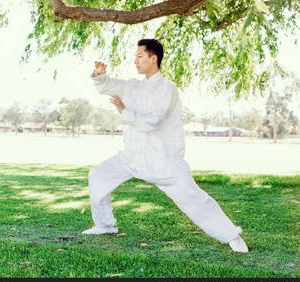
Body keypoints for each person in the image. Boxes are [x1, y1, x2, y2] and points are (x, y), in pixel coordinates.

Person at [82, 38, 249, 253]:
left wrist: (123, 110)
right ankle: (105, 225)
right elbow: (107, 85)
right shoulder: (133, 86)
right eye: (135, 57)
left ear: (153, 58)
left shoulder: (167, 88)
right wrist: (99, 74)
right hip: (131, 157)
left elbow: (153, 121)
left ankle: (231, 236)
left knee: (195, 199)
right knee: (98, 176)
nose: (135, 61)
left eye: (139, 56)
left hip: (163, 161)